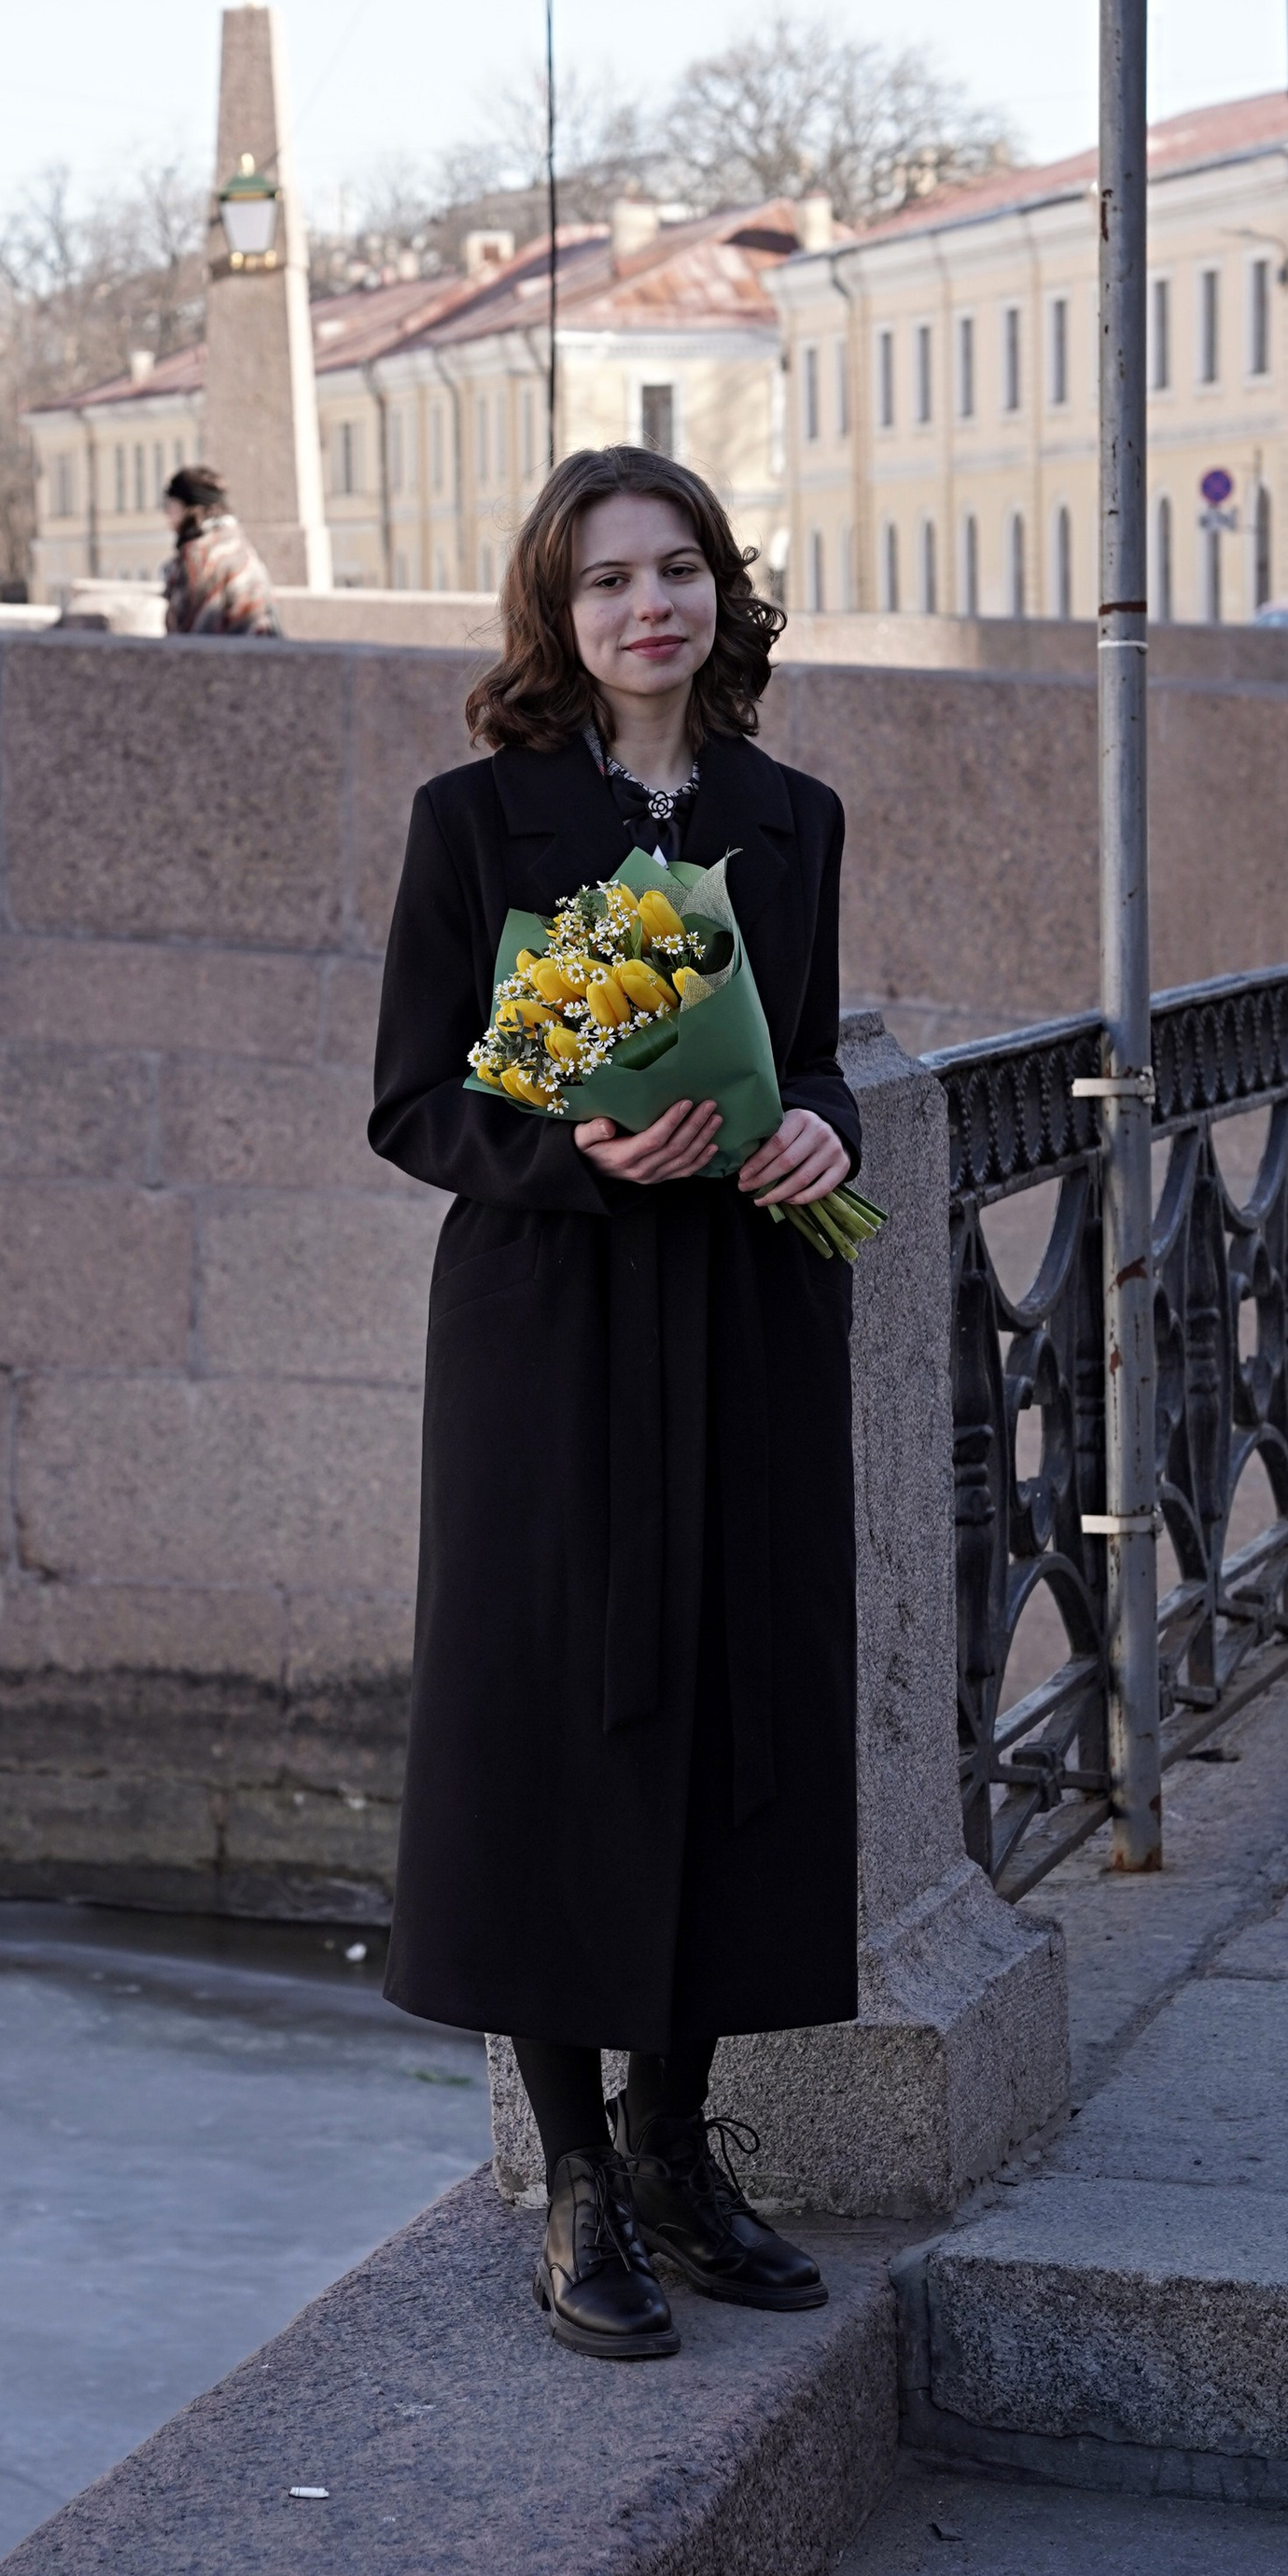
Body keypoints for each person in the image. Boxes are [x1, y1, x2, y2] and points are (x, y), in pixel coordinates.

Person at [370, 442, 861, 2362]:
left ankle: (674, 2147)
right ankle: (574, 2176)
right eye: (605, 581)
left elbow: (806, 1051)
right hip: (549, 1324)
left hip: (741, 1311)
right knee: (548, 1722)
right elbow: (414, 1102)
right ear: (554, 615)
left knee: (734, 1706)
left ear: (721, 591)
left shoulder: (787, 815)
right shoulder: (476, 820)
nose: (647, 606)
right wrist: (574, 1150)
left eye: (676, 570)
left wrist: (816, 1125)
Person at [161, 465, 278, 637]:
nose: (166, 513)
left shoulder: (201, 554)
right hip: (261, 648)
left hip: (232, 651)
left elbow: (192, 634)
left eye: (169, 504)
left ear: (189, 507)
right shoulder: (236, 542)